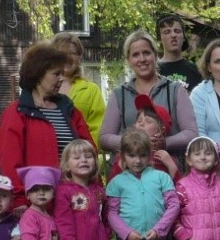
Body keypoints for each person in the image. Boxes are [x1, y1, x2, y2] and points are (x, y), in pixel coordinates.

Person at [0, 41, 94, 208]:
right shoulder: (17, 113)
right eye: (56, 74)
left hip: (75, 201)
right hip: (36, 204)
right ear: (38, 74)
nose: (62, 79)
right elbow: (9, 163)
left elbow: (89, 149)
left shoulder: (70, 110)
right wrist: (21, 200)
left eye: (62, 74)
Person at [105, 128, 180, 240]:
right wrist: (127, 233)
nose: (138, 161)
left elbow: (174, 205)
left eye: (143, 155)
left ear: (150, 155)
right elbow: (112, 213)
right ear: (123, 156)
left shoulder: (162, 177)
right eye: (132, 156)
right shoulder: (117, 182)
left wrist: (160, 230)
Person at [99, 29, 197, 157]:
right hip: (128, 172)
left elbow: (192, 133)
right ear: (128, 60)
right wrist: (134, 142)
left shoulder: (175, 90)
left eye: (146, 53)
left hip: (168, 170)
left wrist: (165, 143)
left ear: (155, 55)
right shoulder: (119, 95)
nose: (142, 59)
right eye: (135, 55)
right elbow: (104, 138)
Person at [52, 32, 107, 141]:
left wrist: (84, 153)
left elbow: (97, 131)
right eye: (62, 53)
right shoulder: (42, 89)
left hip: (80, 155)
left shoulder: (91, 91)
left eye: (73, 53)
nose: (67, 58)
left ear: (80, 57)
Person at [156, 13, 202, 90]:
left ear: (184, 37)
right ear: (159, 38)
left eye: (177, 31)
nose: (173, 35)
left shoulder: (196, 71)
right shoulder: (154, 71)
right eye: (167, 32)